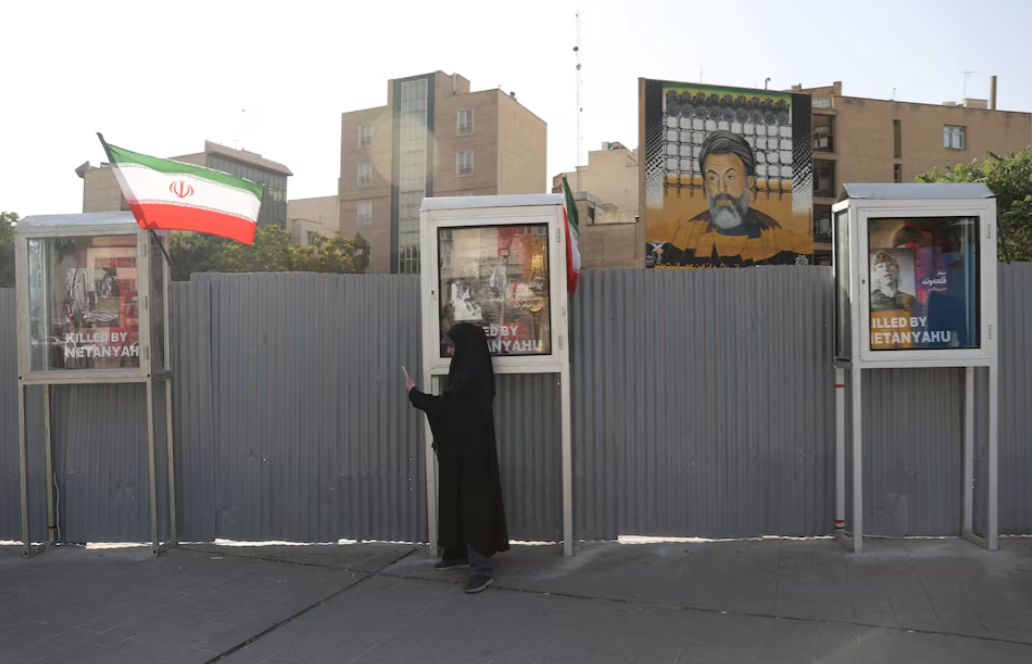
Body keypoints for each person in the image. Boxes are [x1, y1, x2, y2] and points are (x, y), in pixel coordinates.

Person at [406, 322, 509, 594]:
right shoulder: (470, 371)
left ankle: (481, 568)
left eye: (453, 345)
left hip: (474, 455)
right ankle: (460, 553)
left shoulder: (471, 374)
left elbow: (451, 406)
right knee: (460, 500)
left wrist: (416, 396)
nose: (449, 350)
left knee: (474, 505)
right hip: (465, 449)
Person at [657, 130, 803, 267]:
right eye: (712, 178)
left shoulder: (773, 234)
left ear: (749, 182)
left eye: (730, 177)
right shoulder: (685, 238)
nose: (721, 188)